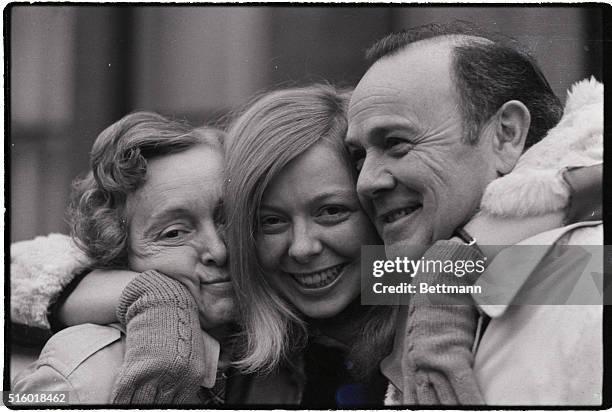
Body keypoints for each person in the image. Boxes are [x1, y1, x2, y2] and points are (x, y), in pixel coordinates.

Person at [345, 22, 602, 405]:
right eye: (358, 156)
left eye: (396, 143)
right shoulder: (419, 282)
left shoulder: (592, 277)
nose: (366, 182)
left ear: (506, 135)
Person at [12, 112, 236, 404]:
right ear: (119, 256)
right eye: (173, 233)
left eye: (229, 219)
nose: (218, 251)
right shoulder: (80, 378)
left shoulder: (295, 331)